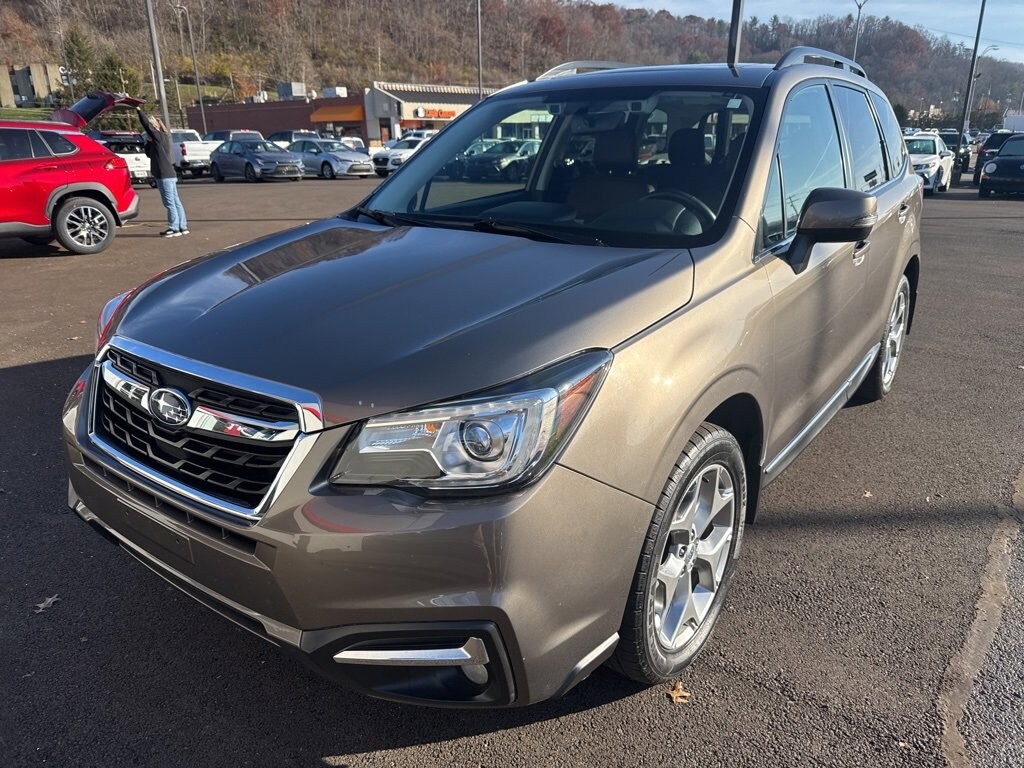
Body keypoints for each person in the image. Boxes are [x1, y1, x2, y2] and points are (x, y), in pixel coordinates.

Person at [137, 108, 188, 237]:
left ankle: (174, 228)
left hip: (164, 175)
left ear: (156, 127)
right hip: (168, 174)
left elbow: (146, 124)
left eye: (152, 127)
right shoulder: (160, 139)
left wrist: (138, 110)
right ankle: (182, 226)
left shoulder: (159, 136)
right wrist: (148, 142)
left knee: (169, 202)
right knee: (175, 201)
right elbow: (149, 155)